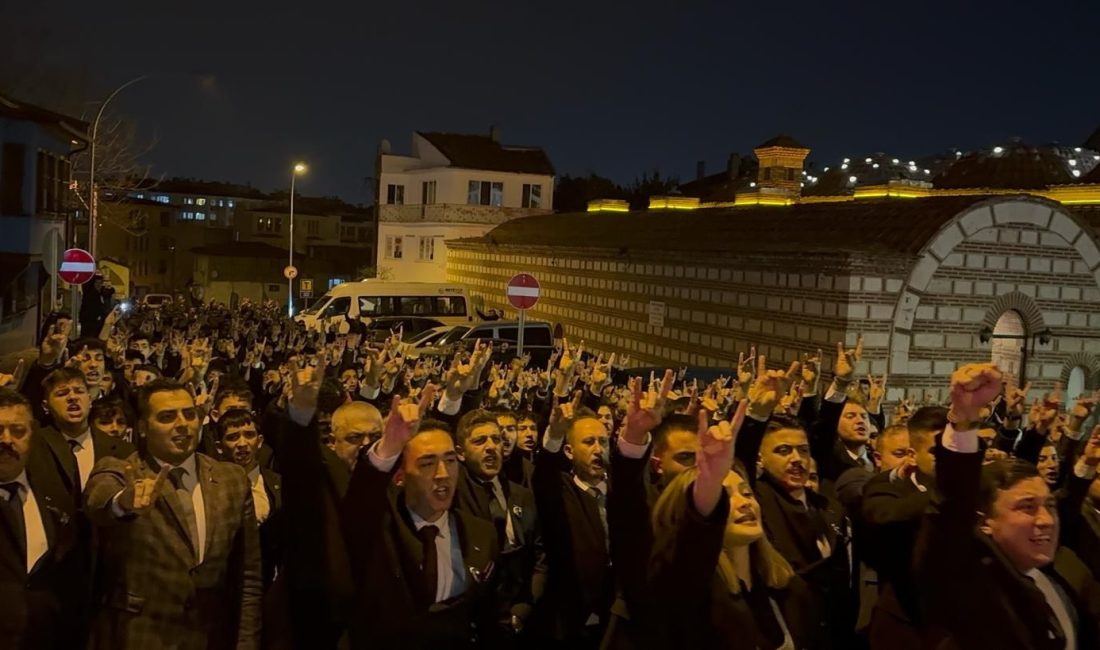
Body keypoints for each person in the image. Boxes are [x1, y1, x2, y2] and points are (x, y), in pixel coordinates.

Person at [917, 363, 1099, 650]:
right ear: (984, 520)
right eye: (1027, 507)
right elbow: (951, 506)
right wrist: (964, 419)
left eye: (1048, 506)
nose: (1046, 520)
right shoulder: (968, 584)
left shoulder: (1056, 576)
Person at [83, 379, 261, 649]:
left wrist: (246, 642)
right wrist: (122, 504)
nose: (182, 424)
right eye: (167, 417)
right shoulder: (121, 471)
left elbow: (248, 574)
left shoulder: (231, 478)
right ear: (142, 428)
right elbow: (99, 501)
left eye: (189, 414)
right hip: (139, 638)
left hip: (211, 637)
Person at [648, 405, 821, 649]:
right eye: (724, 496)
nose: (744, 503)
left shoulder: (790, 587)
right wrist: (709, 482)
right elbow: (687, 550)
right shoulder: (688, 590)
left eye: (746, 493)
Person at [0, 388, 90, 649]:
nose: (6, 440)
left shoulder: (55, 499)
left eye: (18, 431)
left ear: (32, 436)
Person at [453, 409, 545, 642]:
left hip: (518, 620)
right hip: (469, 625)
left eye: (496, 439)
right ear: (460, 453)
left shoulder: (522, 495)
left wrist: (524, 608)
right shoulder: (452, 494)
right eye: (480, 440)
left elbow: (540, 556)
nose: (492, 446)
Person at [533, 397, 614, 647]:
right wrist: (555, 435)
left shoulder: (623, 492)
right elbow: (544, 470)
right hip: (570, 623)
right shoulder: (559, 491)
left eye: (603, 442)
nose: (598, 449)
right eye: (589, 442)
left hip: (617, 621)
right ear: (568, 450)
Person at [37, 367, 134, 495]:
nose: (72, 397)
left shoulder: (123, 450)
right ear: (46, 406)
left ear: (90, 400)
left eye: (79, 391)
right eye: (62, 393)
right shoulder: (35, 445)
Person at [216, 408, 282, 591]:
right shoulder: (209, 485)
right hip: (223, 583)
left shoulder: (277, 483)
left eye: (249, 435)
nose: (242, 443)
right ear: (219, 446)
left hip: (267, 582)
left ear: (259, 441)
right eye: (233, 437)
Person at [79, 273, 114, 339]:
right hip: (89, 322)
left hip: (98, 323)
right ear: (93, 283)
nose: (98, 285)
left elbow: (109, 292)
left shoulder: (102, 293)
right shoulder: (89, 293)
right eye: (96, 283)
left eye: (100, 283)